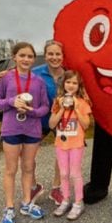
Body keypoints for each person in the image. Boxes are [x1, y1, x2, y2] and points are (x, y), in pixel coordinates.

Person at [0, 42, 50, 223]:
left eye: (30, 56)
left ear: (33, 59)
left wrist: (32, 111)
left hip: (32, 129)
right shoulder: (6, 79)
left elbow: (45, 107)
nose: (26, 59)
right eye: (22, 55)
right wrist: (11, 101)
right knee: (10, 169)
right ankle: (9, 207)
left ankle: (26, 203)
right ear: (14, 57)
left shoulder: (38, 81)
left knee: (28, 168)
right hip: (11, 129)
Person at [48, 70, 93, 220]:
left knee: (75, 173)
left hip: (76, 144)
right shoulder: (58, 100)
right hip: (61, 143)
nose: (71, 85)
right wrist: (61, 108)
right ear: (63, 84)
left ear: (78, 85)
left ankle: (78, 203)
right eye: (68, 82)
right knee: (63, 174)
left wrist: (75, 108)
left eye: (74, 83)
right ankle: (65, 199)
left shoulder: (82, 102)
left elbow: (86, 125)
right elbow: (52, 124)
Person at [32, 40, 67, 204]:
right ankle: (33, 186)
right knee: (28, 154)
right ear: (45, 56)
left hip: (61, 120)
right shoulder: (35, 73)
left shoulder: (68, 75)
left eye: (58, 54)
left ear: (63, 56)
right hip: (39, 119)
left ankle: (56, 188)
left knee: (62, 153)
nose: (54, 57)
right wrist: (7, 73)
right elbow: (18, 74)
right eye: (51, 54)